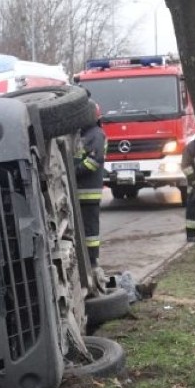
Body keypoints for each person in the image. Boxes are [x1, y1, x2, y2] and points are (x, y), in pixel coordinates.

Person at [74, 100, 107, 271]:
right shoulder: (82, 135)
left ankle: (92, 261)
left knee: (90, 232)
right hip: (78, 192)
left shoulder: (96, 134)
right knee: (81, 231)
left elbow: (93, 162)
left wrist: (72, 171)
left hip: (89, 193)